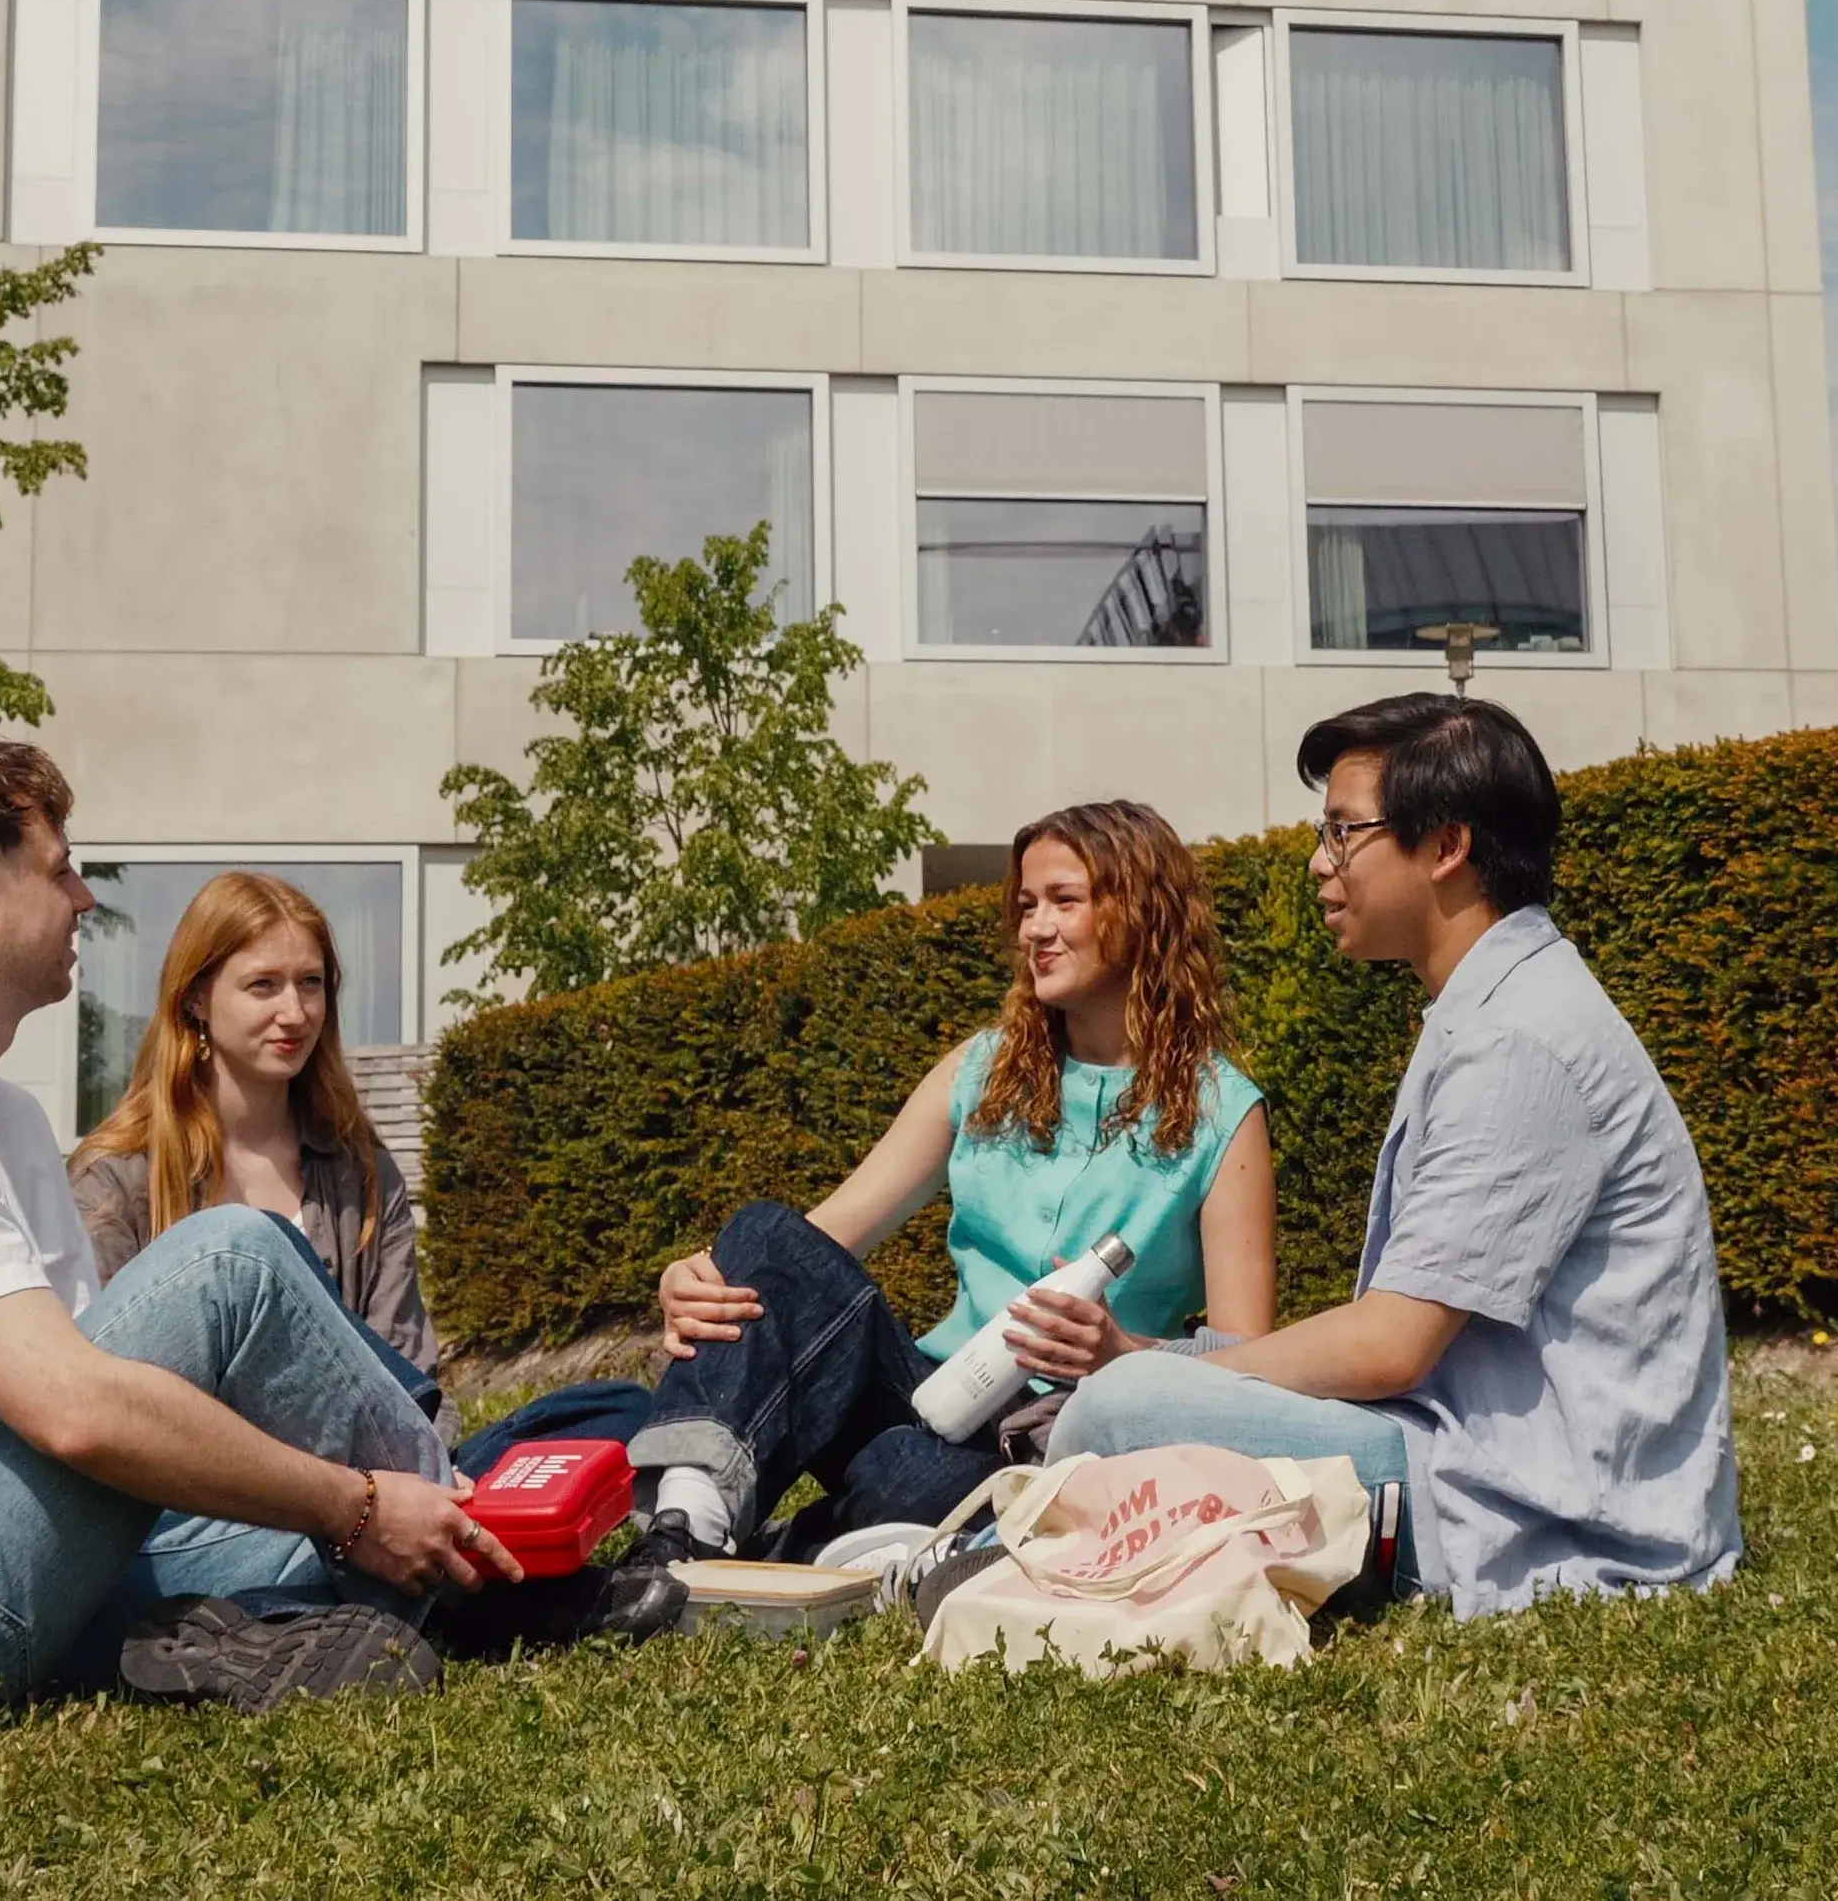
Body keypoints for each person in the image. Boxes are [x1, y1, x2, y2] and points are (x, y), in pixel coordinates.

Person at [0, 737, 519, 1719]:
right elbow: (77, 1411)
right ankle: (450, 1533)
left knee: (311, 1535)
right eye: (60, 868)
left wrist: (333, 1512)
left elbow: (125, 1409)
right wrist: (360, 1504)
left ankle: (422, 1573)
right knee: (235, 1254)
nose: (84, 897)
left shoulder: (4, 1116)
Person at [1050, 693, 1743, 1617]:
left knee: (1117, 1410)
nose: (1318, 862)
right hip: (1466, 1456)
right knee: (1145, 1386)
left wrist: (1160, 1379)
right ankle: (992, 1548)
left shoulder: (1520, 1040)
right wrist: (1162, 1359)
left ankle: (995, 1561)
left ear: (1446, 846)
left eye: (1343, 833)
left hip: (1540, 1513)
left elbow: (1390, 1346)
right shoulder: (1498, 1005)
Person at [618, 798, 1276, 1568]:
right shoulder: (982, 1070)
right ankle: (686, 1520)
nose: (1034, 928)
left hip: (1046, 1436)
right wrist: (695, 1279)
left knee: (909, 1479)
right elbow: (812, 1247)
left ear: (1145, 915)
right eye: (1026, 905)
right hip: (927, 1385)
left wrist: (1121, 1354)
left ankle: (788, 1541)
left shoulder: (1225, 1111)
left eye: (1064, 901)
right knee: (764, 1229)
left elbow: (1248, 1363)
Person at [71, 871, 436, 1373]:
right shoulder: (116, 1177)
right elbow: (99, 1382)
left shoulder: (363, 1178)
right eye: (263, 985)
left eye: (310, 983)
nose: (295, 1012)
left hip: (360, 1451)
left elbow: (410, 1377)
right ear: (196, 998)